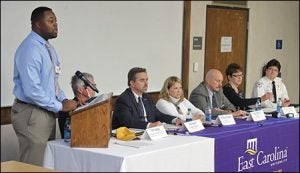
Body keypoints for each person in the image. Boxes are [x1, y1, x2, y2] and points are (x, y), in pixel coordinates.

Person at [11, 7, 77, 166]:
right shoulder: (30, 49)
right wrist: (60, 106)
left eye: (56, 21)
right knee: (33, 165)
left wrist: (64, 100)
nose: (56, 24)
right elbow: (32, 91)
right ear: (37, 24)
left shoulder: (48, 49)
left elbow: (52, 83)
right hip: (32, 112)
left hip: (46, 110)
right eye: (51, 20)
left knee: (46, 163)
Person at [112, 67, 183, 129]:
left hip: (149, 133)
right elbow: (128, 122)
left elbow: (158, 115)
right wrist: (149, 125)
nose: (146, 84)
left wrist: (175, 120)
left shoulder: (147, 97)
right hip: (128, 138)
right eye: (142, 80)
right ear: (132, 83)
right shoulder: (123, 99)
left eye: (147, 80)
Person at [58, 72, 97, 138]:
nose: (95, 88)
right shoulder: (68, 109)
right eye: (92, 85)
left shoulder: (95, 104)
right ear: (80, 90)